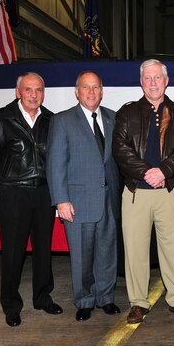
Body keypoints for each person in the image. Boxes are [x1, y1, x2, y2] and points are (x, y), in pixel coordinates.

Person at [112, 59, 174, 324]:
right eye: (147, 78)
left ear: (166, 80)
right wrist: (147, 171)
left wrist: (164, 171)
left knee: (173, 248)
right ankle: (138, 302)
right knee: (135, 250)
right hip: (136, 191)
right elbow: (120, 149)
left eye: (157, 78)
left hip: (169, 191)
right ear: (141, 82)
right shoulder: (127, 113)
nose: (152, 83)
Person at [0, 72, 63, 327]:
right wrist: (7, 182)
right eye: (28, 89)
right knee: (13, 251)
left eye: (38, 90)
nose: (34, 94)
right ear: (18, 92)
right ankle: (11, 305)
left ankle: (42, 296)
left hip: (44, 192)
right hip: (13, 193)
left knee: (43, 249)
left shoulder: (52, 120)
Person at [46, 71, 121, 322]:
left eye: (96, 87)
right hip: (77, 202)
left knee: (107, 253)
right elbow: (55, 163)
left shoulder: (112, 118)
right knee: (82, 255)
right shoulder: (63, 120)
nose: (91, 92)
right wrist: (60, 200)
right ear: (77, 92)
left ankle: (106, 298)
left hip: (109, 199)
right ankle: (85, 300)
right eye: (85, 87)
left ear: (102, 90)